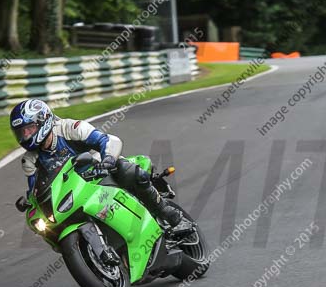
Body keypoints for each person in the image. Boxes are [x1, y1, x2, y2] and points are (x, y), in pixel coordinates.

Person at [10, 99, 192, 234]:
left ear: (43, 120)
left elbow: (105, 140)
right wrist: (29, 203)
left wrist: (108, 160)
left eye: (29, 129)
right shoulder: (29, 161)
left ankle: (171, 216)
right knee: (50, 226)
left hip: (100, 171)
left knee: (129, 172)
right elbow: (35, 191)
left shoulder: (70, 128)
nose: (25, 136)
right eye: (21, 133)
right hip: (73, 192)